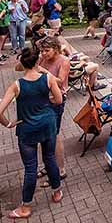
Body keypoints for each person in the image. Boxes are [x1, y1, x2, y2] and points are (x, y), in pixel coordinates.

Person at [0, 47, 64, 219]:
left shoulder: (17, 85)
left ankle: (26, 207)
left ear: (22, 63)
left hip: (27, 128)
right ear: (37, 61)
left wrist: (9, 124)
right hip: (48, 124)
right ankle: (57, 191)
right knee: (50, 159)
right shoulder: (48, 78)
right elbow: (59, 99)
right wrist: (46, 103)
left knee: (31, 168)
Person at [36, 36, 70, 181]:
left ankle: (61, 169)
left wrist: (44, 71)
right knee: (44, 135)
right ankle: (48, 164)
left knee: (54, 135)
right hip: (42, 99)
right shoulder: (42, 58)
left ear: (56, 49)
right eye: (41, 51)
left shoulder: (64, 61)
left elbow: (61, 82)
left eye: (46, 50)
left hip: (56, 101)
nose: (43, 53)